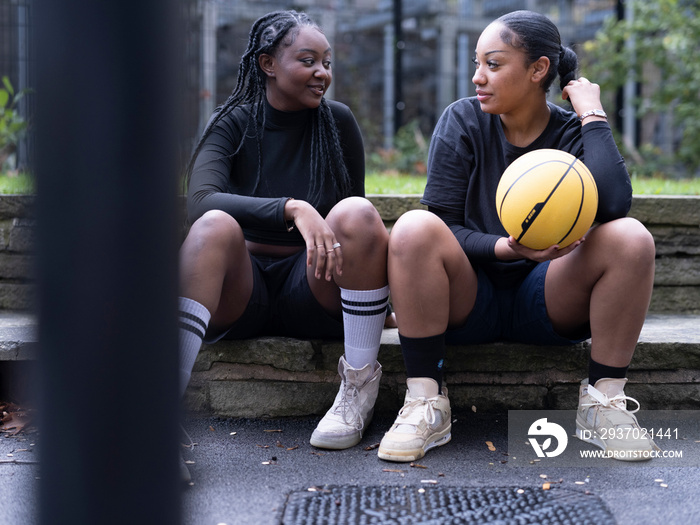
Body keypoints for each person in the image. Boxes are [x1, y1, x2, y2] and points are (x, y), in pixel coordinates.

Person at [377, 10, 658, 463]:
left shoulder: (571, 130)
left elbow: (613, 206)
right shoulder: (462, 121)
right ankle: (425, 403)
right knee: (413, 226)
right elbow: (443, 225)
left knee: (632, 238)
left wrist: (591, 113)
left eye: (493, 64)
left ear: (538, 70)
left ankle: (604, 406)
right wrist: (503, 247)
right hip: (470, 297)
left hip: (548, 295)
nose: (477, 77)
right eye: (477, 64)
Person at [177, 11, 390, 478]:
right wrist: (290, 207)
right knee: (213, 224)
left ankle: (356, 392)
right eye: (308, 60)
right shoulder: (233, 121)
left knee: (356, 211)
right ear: (268, 63)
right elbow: (199, 200)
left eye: (327, 62)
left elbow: (353, 229)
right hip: (242, 289)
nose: (323, 73)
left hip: (312, 285)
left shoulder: (337, 123)